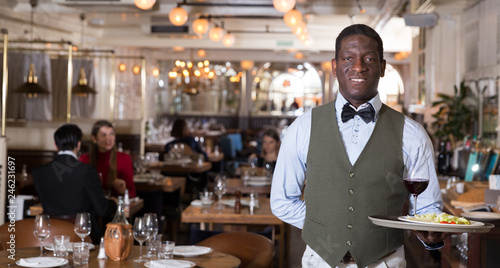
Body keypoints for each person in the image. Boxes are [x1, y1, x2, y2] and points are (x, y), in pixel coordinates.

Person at [270, 24, 445, 267]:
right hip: (320, 261)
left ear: (382, 68)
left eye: (369, 59)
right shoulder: (303, 127)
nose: (359, 67)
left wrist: (431, 232)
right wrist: (326, 227)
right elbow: (282, 200)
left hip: (385, 262)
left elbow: (427, 206)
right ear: (334, 66)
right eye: (348, 58)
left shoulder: (412, 134)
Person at [32, 124, 117, 243]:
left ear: (56, 145)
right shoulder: (87, 171)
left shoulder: (38, 173)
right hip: (83, 237)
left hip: (49, 236)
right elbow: (102, 209)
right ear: (78, 144)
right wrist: (115, 203)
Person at [79, 120, 136, 198]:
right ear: (94, 138)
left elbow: (132, 194)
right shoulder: (84, 159)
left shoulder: (124, 159)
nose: (108, 138)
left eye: (111, 134)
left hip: (115, 207)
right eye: (103, 135)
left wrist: (123, 190)